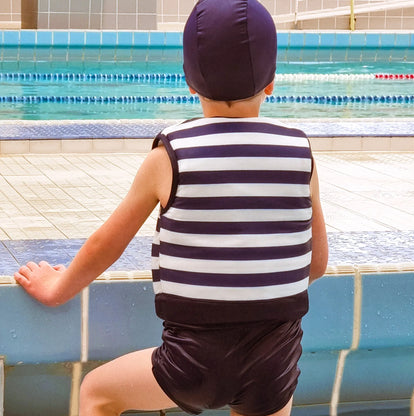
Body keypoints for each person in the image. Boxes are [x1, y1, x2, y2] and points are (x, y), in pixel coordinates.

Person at [14, 1, 328, 415]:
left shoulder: (172, 153)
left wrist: (57, 288)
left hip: (193, 363)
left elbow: (107, 243)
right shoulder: (298, 151)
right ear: (271, 82)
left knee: (96, 392)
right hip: (276, 363)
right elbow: (316, 264)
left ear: (189, 82)